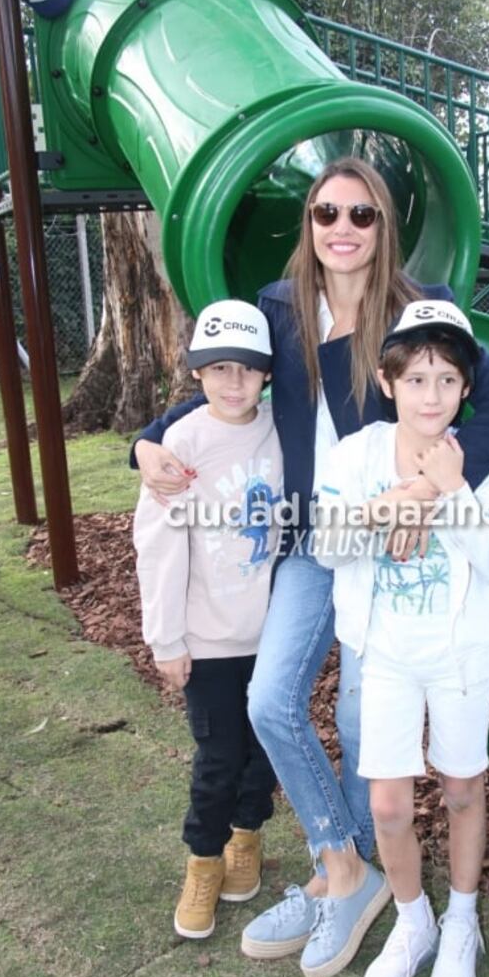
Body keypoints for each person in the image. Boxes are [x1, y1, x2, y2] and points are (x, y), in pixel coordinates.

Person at [132, 157, 489, 977]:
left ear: (383, 226)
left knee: (360, 724)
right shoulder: (278, 309)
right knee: (270, 700)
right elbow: (226, 383)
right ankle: (341, 866)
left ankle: (361, 884)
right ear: (307, 224)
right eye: (326, 214)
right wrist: (150, 434)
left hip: (386, 541)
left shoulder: (415, 312)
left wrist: (423, 490)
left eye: (361, 215)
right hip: (313, 539)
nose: (342, 230)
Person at [313, 301, 489, 977]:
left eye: (448, 381)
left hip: (459, 656)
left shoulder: (481, 465)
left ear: (465, 390)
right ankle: (412, 922)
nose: (432, 396)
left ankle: (461, 919)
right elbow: (326, 545)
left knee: (461, 787)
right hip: (387, 655)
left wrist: (449, 492)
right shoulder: (355, 456)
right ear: (386, 379)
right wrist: (388, 505)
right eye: (417, 378)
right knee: (390, 804)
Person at [133, 300, 282, 941]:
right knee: (218, 756)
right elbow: (160, 545)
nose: (231, 382)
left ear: (267, 375)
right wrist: (166, 637)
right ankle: (203, 860)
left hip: (273, 634)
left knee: (264, 751)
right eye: (217, 368)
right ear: (196, 373)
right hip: (211, 638)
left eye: (245, 369)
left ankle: (245, 839)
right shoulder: (181, 443)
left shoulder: (283, 430)